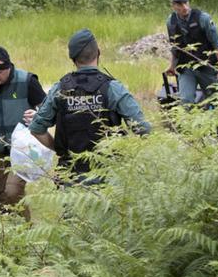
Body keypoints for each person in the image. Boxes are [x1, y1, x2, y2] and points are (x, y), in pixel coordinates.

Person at [30, 29, 151, 184]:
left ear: (72, 58)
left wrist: (62, 151)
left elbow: (36, 129)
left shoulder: (59, 89)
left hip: (71, 176)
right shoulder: (113, 88)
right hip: (110, 176)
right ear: (98, 53)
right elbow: (144, 129)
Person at [0, 46, 46, 219]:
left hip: (25, 150)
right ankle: (20, 238)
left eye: (0, 72)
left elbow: (48, 111)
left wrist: (38, 115)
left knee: (12, 192)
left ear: (9, 68)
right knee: (4, 198)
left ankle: (27, 236)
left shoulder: (27, 81)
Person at [164, 0, 218, 105]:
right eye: (180, 4)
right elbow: (175, 46)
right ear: (173, 6)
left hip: (206, 67)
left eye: (186, 2)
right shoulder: (171, 22)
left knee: (214, 100)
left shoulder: (203, 18)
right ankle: (188, 122)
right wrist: (172, 66)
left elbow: (217, 45)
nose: (185, 7)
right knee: (185, 101)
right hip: (186, 68)